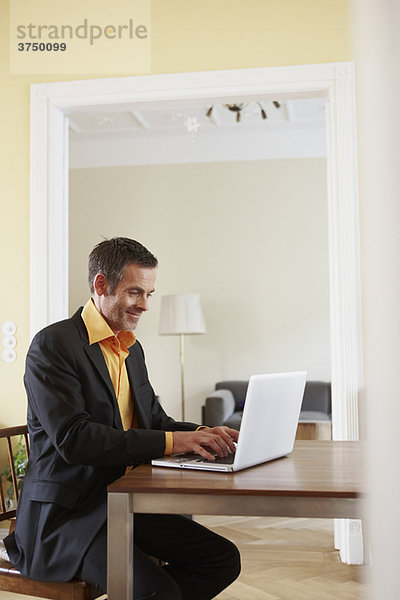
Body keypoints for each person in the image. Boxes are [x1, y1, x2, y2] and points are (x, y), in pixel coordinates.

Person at [4, 237, 241, 600]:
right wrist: (175, 442)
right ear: (101, 285)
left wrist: (204, 433)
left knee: (222, 559)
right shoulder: (53, 345)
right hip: (68, 516)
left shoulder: (131, 348)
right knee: (156, 592)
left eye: (149, 293)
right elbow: (75, 439)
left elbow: (155, 422)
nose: (145, 305)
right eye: (135, 292)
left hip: (123, 502)